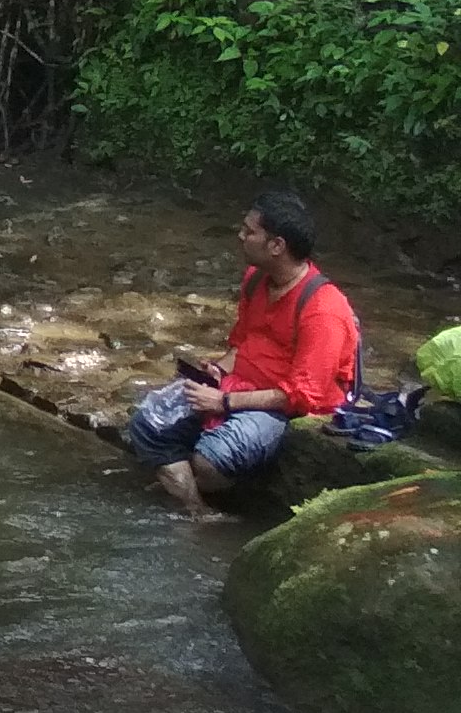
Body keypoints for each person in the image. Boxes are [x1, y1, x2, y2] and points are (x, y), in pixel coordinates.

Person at [122, 186, 361, 516]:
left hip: (281, 408)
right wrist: (219, 370)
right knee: (147, 421)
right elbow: (243, 342)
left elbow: (302, 396)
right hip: (235, 387)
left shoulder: (323, 310)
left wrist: (224, 402)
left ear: (277, 246)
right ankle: (198, 511)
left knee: (210, 460)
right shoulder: (255, 279)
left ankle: (182, 484)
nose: (240, 236)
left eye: (250, 231)